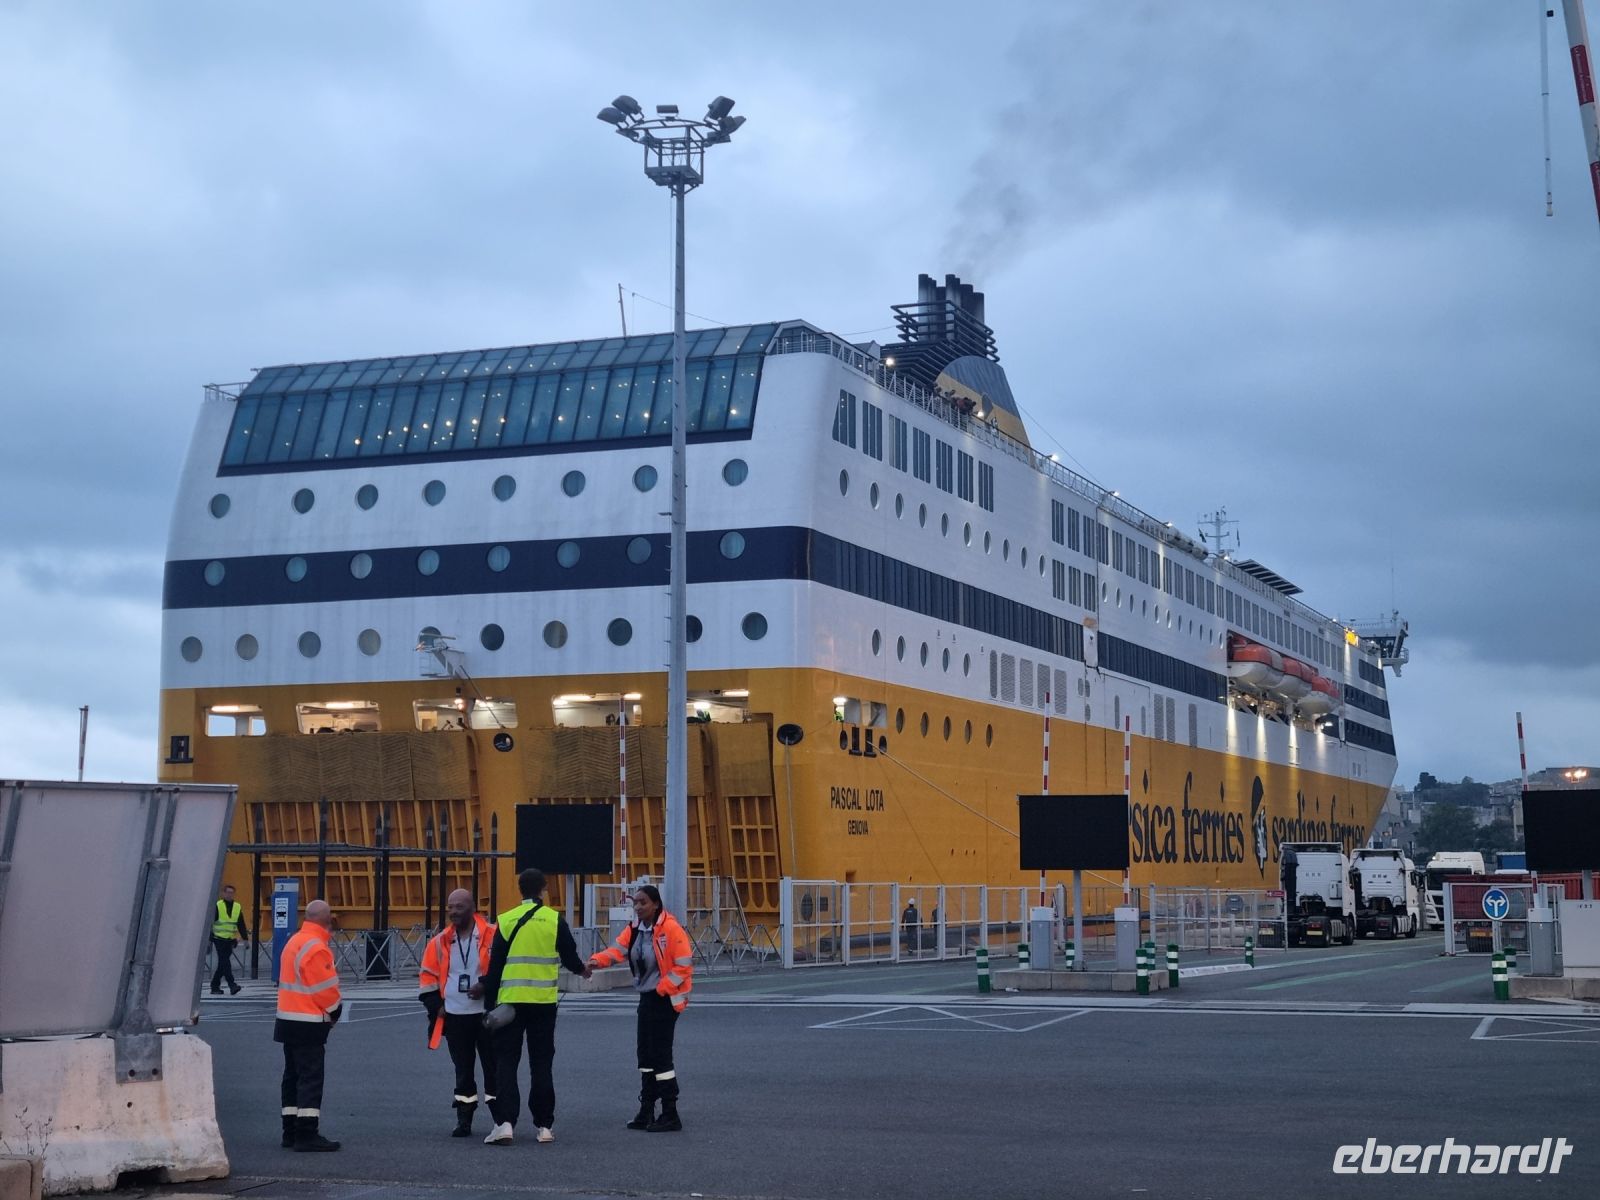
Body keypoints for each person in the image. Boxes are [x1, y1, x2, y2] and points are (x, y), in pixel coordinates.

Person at [480, 868, 590, 1146]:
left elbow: (494, 969)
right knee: (541, 1064)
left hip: (511, 1002)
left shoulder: (505, 920)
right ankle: (544, 1126)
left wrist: (488, 1005)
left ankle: (505, 1124)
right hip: (543, 1003)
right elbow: (570, 957)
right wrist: (583, 971)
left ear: (520, 890)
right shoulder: (554, 919)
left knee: (506, 1062)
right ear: (543, 889)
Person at [587, 884, 694, 1133]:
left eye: (642, 902)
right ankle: (646, 1110)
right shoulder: (635, 930)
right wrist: (595, 961)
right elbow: (617, 951)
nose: (637, 907)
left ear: (655, 904)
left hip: (665, 1000)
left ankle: (670, 1113)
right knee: (645, 1056)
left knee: (660, 1056)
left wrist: (663, 989)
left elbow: (684, 965)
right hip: (647, 998)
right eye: (635, 902)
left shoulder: (670, 929)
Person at [419, 888, 497, 1137]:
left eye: (459, 907)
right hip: (454, 1016)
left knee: (493, 1068)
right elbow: (427, 978)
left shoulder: (492, 935)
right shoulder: (440, 941)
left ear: (472, 908)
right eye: (450, 907)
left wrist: (485, 985)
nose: (453, 912)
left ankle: (501, 1119)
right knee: (462, 1070)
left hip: (486, 1015)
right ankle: (464, 1119)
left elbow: (504, 969)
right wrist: (436, 1006)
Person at [273, 898, 342, 1152]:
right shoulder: (317, 947)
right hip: (309, 1022)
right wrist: (336, 1011)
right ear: (327, 920)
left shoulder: (294, 941)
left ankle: (289, 1131)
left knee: (291, 1077)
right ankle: (306, 1134)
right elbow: (324, 990)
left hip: (287, 1019)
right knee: (311, 1079)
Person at [210, 883, 247, 995]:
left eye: (232, 892)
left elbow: (241, 923)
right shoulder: (217, 905)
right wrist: (209, 938)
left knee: (222, 964)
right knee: (226, 962)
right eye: (227, 892)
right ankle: (232, 985)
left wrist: (245, 938)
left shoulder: (237, 907)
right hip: (218, 938)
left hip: (230, 940)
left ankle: (215, 986)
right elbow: (210, 922)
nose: (230, 895)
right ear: (223, 893)